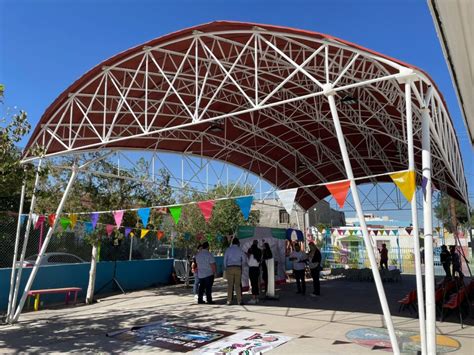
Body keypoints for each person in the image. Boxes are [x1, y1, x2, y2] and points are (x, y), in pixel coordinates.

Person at [223, 237, 245, 305]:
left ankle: (229, 301)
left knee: (230, 285)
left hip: (229, 267)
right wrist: (242, 266)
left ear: (232, 243)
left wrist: (226, 267)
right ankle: (239, 300)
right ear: (238, 243)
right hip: (238, 268)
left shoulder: (228, 250)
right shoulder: (240, 250)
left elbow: (225, 260)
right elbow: (244, 259)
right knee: (238, 285)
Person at [247, 240, 262, 304]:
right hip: (257, 269)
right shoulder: (259, 252)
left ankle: (253, 298)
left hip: (252, 269)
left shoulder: (251, 255)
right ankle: (256, 297)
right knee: (256, 283)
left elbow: (248, 263)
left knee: (253, 284)